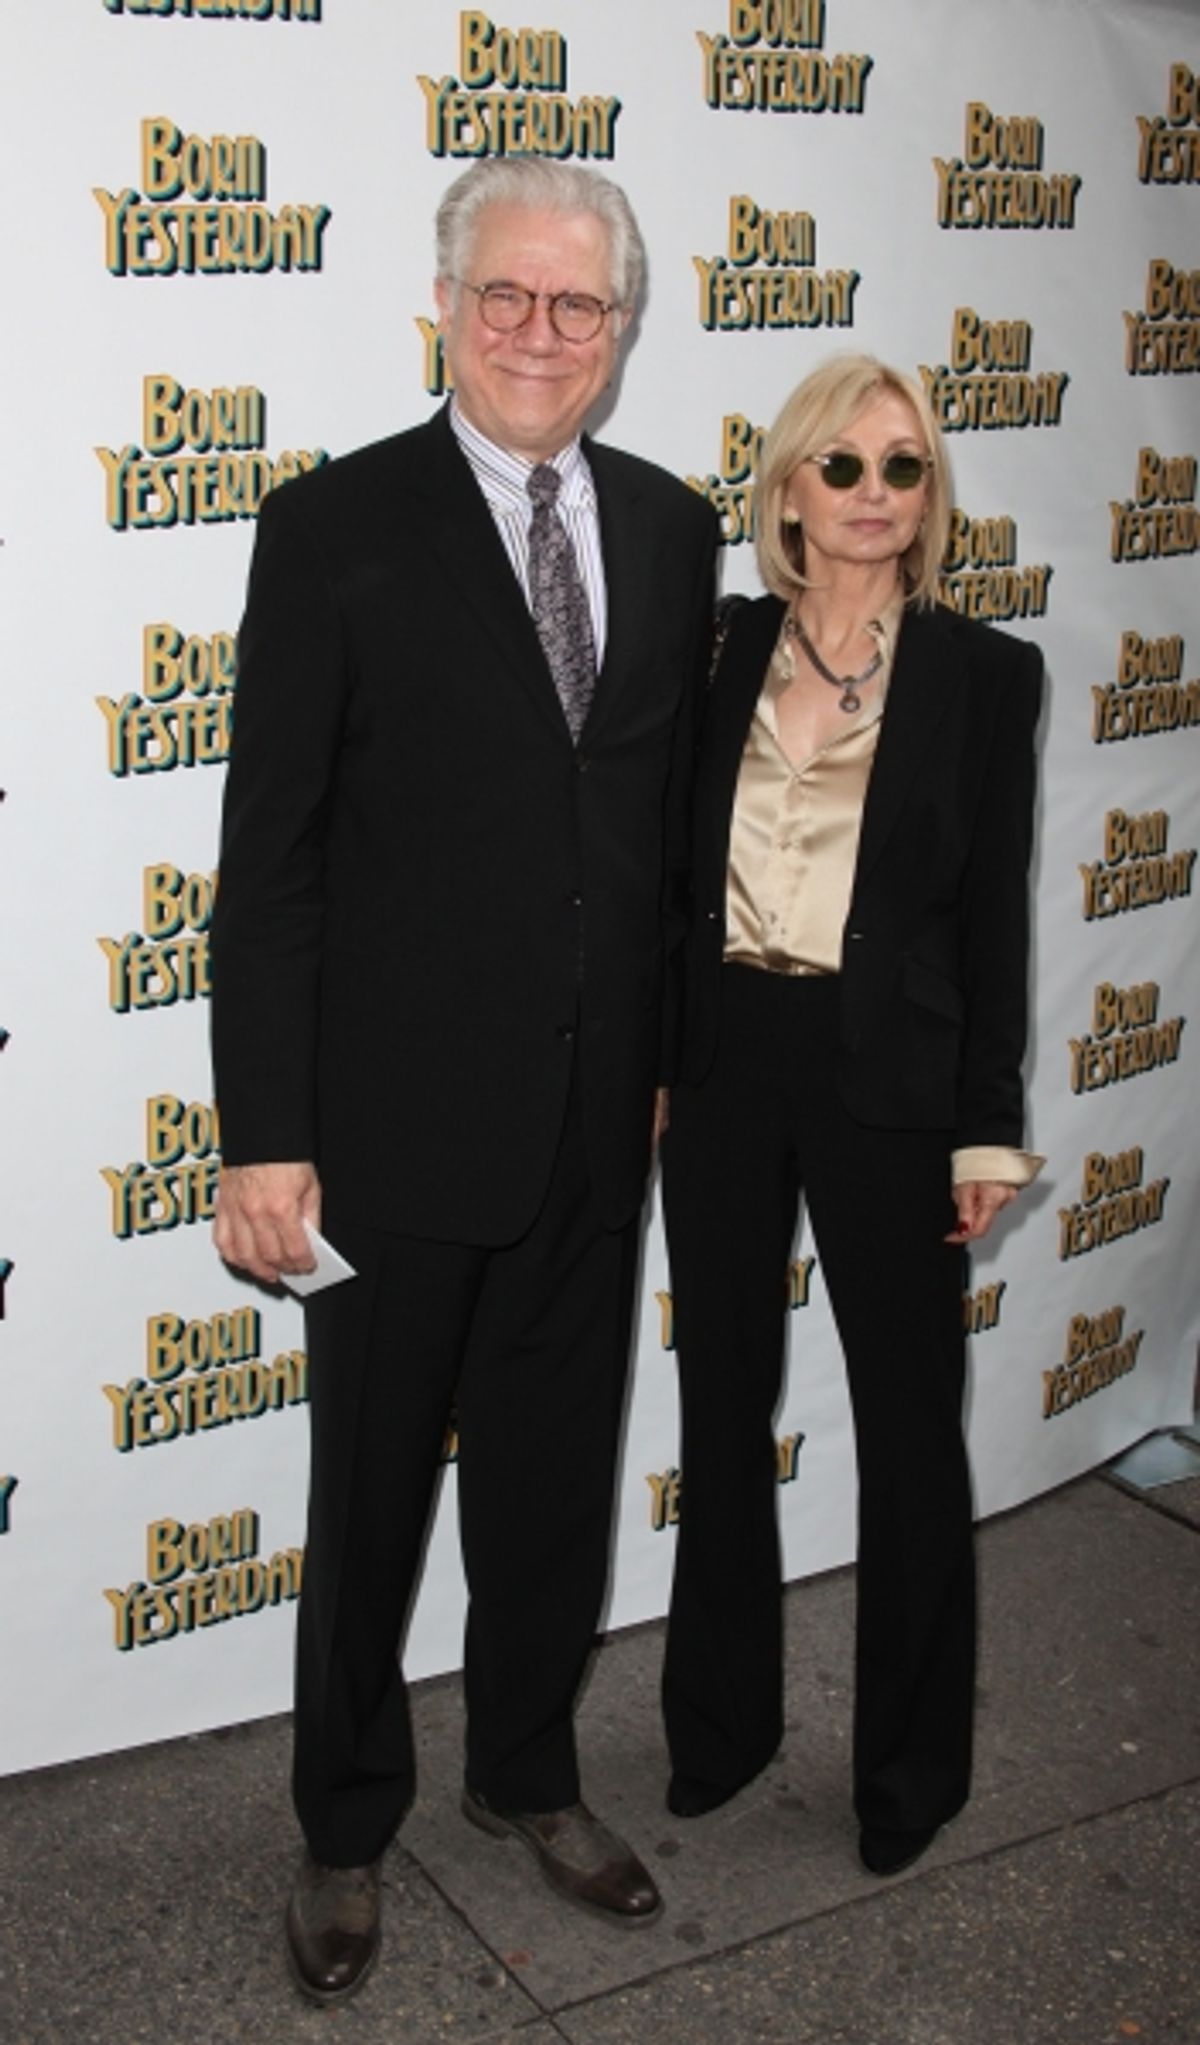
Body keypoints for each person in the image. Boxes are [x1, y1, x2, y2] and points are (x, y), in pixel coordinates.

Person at [210, 155, 717, 2004]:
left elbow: (656, 840)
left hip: (594, 1132)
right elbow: (269, 863)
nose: (538, 332)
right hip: (388, 1136)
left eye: (577, 305)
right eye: (505, 295)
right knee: (368, 1508)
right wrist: (263, 1131)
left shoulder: (671, 531)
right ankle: (345, 1822)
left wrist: (661, 1070)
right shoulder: (334, 526)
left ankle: (526, 1773)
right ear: (444, 304)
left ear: (619, 331)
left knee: (548, 1490)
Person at [659, 354, 1042, 1879]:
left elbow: (993, 919)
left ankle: (910, 1770)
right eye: (845, 466)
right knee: (720, 1401)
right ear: (789, 493)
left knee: (907, 1429)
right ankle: (719, 1727)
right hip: (726, 1062)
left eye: (906, 468)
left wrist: (987, 1126)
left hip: (892, 1081)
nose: (878, 495)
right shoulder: (711, 650)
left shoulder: (985, 675)